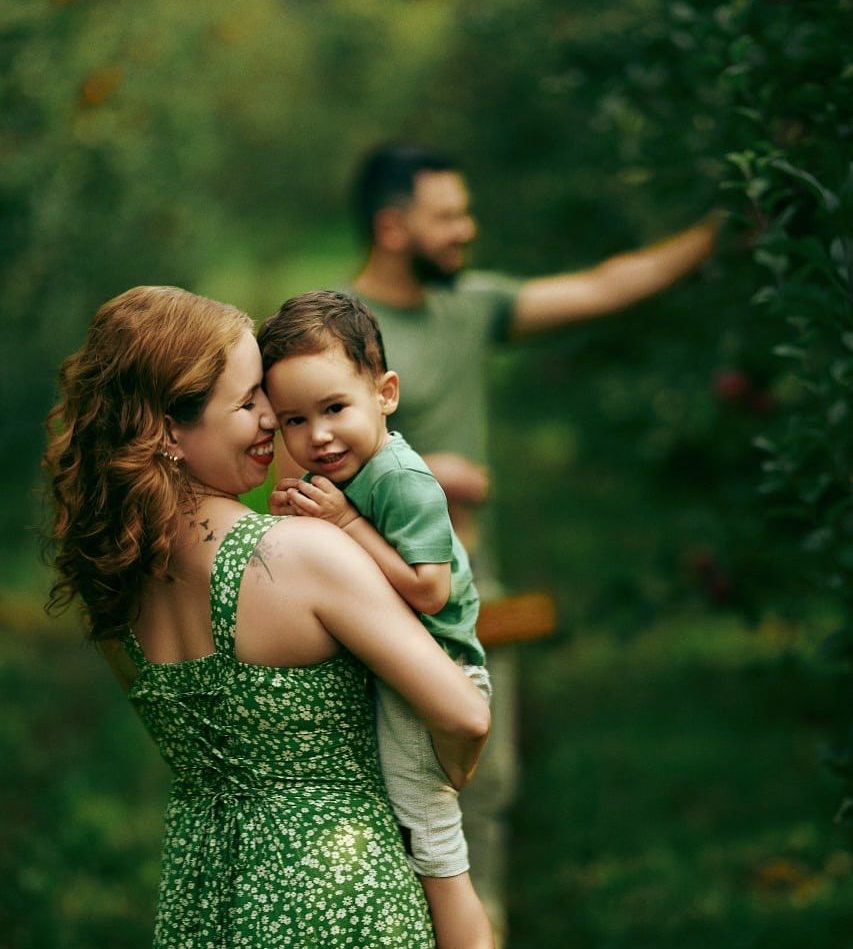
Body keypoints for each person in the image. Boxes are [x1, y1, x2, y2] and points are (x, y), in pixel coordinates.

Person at [347, 143, 721, 944]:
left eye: (465, 212)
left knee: (483, 791)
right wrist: (413, 467)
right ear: (391, 225)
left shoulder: (469, 304)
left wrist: (719, 231)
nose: (465, 230)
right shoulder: (335, 332)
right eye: (446, 216)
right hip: (367, 597)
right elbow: (281, 465)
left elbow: (602, 285)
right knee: (384, 802)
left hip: (468, 594)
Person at [44, 284, 490, 948]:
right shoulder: (299, 555)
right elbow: (463, 714)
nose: (271, 420)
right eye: (250, 401)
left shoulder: (113, 585)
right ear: (169, 429)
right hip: (341, 897)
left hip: (203, 902)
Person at [258, 290, 494, 949]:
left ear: (385, 393)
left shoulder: (398, 480)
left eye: (334, 408)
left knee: (435, 847)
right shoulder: (353, 470)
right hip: (406, 676)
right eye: (293, 422)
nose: (318, 436)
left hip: (438, 675)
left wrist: (345, 523)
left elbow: (427, 587)